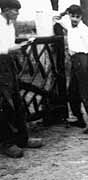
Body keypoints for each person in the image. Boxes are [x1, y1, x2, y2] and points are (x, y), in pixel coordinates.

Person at [0, 0, 43, 158]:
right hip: (0, 64)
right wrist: (24, 45)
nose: (17, 13)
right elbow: (4, 49)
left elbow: (10, 45)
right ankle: (8, 143)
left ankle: (22, 139)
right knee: (5, 104)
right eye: (15, 10)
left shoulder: (9, 25)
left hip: (8, 64)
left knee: (17, 101)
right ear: (5, 10)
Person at [53, 5, 88, 134]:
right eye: (72, 16)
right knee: (73, 91)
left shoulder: (85, 30)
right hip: (74, 61)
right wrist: (64, 12)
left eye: (77, 17)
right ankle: (78, 118)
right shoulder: (69, 25)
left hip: (84, 60)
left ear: (81, 17)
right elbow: (56, 18)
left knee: (87, 92)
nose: (74, 19)